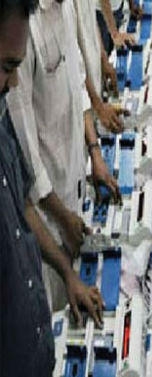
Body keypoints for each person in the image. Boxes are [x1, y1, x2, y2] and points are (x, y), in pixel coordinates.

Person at [0, 0, 103, 377]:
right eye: (7, 67)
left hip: (35, 355)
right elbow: (32, 160)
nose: (11, 82)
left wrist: (67, 270)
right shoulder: (24, 31)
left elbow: (22, 200)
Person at [7, 0, 119, 310]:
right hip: (49, 215)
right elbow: (27, 154)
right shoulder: (23, 27)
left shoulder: (65, 7)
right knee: (62, 303)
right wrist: (62, 216)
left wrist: (94, 153)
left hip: (75, 186)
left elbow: (78, 82)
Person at [75, 0, 125, 133]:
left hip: (94, 74)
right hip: (82, 99)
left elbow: (92, 20)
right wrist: (98, 107)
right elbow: (75, 65)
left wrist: (103, 59)